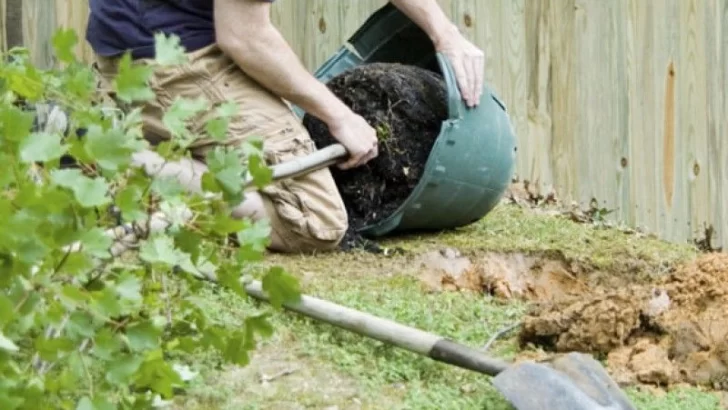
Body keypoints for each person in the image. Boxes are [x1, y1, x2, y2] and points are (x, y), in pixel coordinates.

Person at [86, 0, 485, 253]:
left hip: (142, 45)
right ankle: (112, 159)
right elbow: (244, 38)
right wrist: (339, 115)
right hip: (180, 65)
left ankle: (147, 153)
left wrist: (443, 32)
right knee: (315, 220)